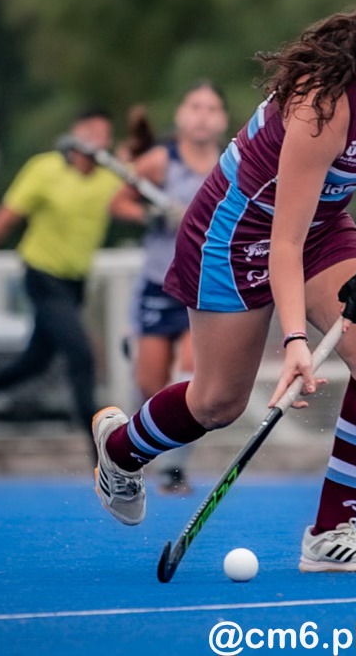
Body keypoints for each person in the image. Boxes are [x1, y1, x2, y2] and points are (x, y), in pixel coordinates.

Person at [91, 0, 356, 573]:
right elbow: (280, 243)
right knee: (216, 403)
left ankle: (331, 532)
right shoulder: (323, 104)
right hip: (234, 230)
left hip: (319, 227)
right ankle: (120, 450)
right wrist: (295, 341)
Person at [0, 107, 124, 451]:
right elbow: (5, 219)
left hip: (75, 284)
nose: (99, 141)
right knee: (81, 355)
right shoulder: (44, 169)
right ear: (76, 136)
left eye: (105, 134)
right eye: (91, 132)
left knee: (35, 361)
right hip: (42, 277)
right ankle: (101, 448)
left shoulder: (110, 178)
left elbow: (139, 184)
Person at [108, 81, 230, 495]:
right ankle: (126, 454)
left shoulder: (232, 163)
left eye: (211, 109)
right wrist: (154, 217)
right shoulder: (160, 162)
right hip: (159, 285)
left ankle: (174, 467)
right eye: (194, 106)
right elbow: (119, 202)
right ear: (180, 115)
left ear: (223, 120)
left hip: (203, 288)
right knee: (150, 384)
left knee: (193, 375)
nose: (202, 115)